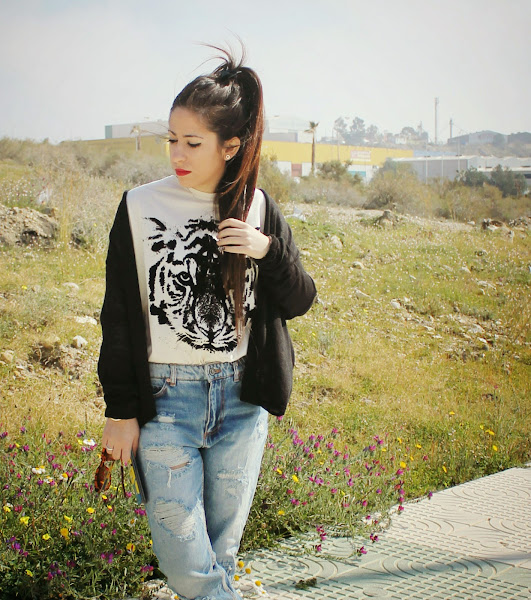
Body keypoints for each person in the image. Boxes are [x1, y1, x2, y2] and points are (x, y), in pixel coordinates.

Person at [98, 45, 316, 600]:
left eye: (192, 143)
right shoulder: (139, 206)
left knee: (220, 552)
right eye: (172, 139)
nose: (178, 153)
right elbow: (117, 314)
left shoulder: (258, 208)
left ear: (231, 145)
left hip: (241, 399)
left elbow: (300, 300)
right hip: (165, 399)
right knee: (185, 559)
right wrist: (120, 411)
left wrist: (267, 250)